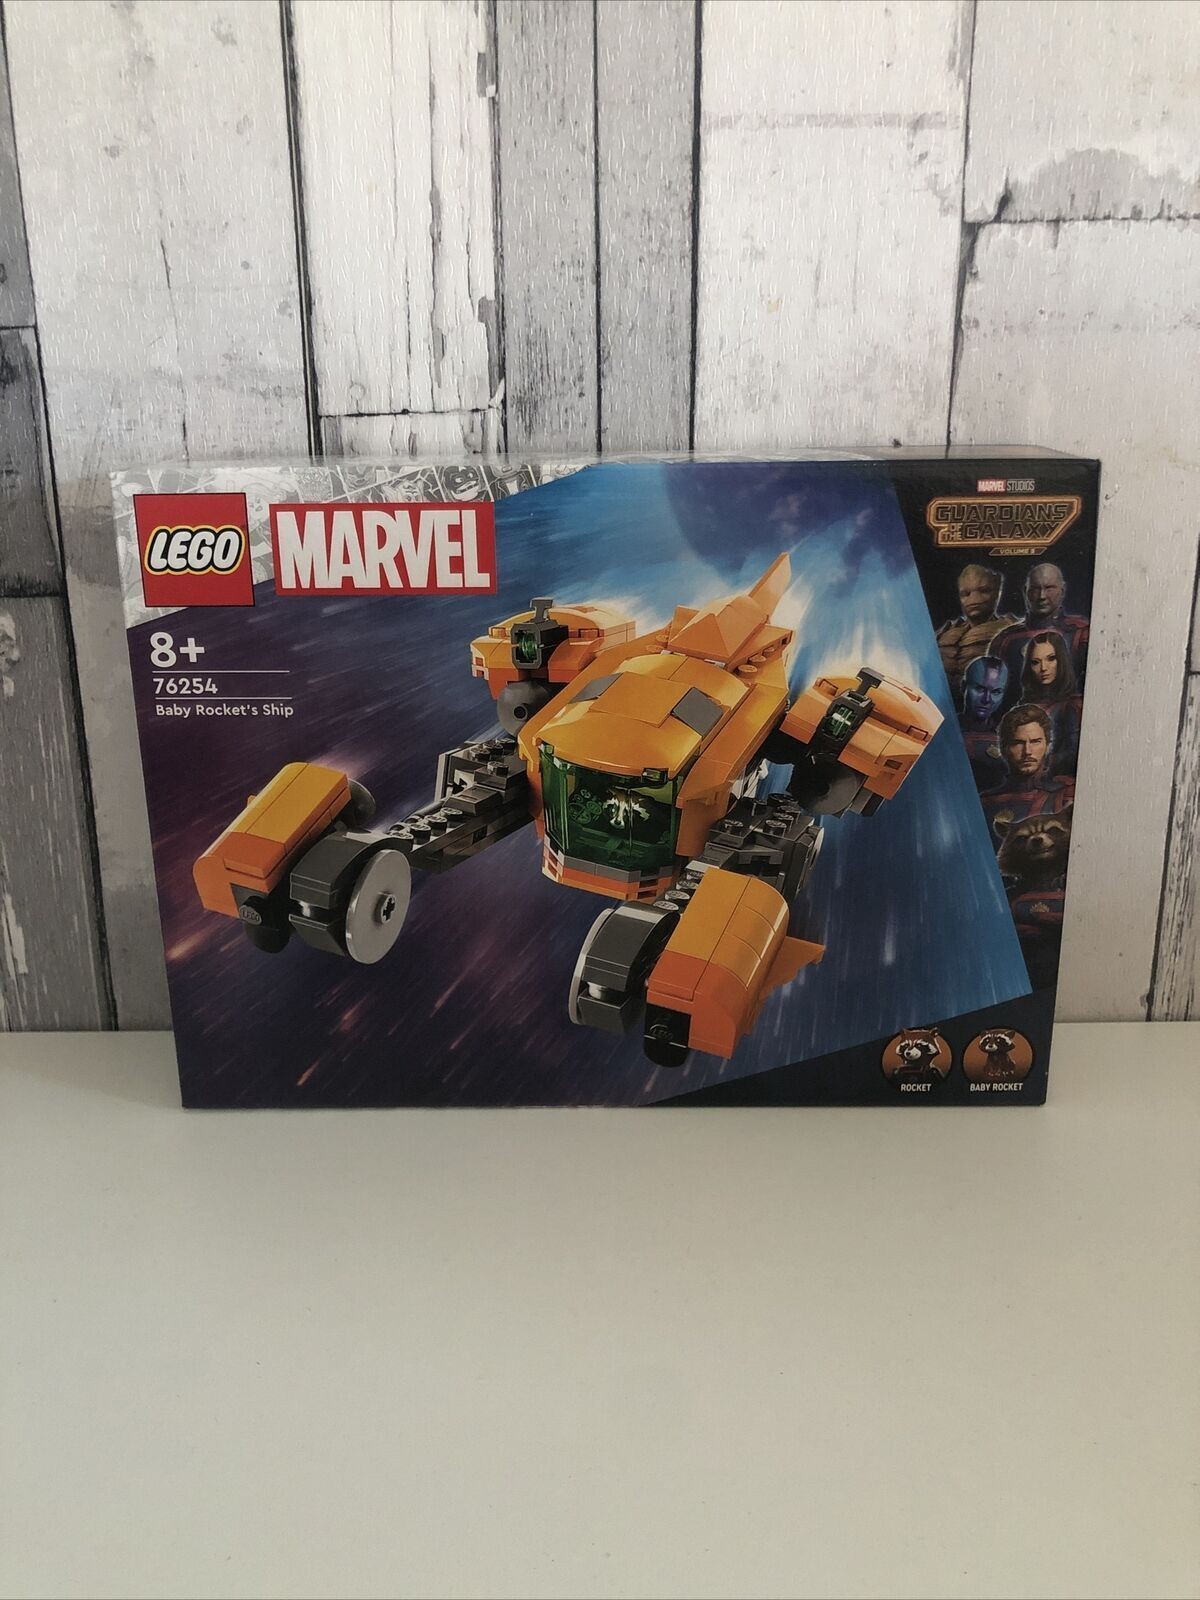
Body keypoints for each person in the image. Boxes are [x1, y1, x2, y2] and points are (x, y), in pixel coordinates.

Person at [980, 704, 1074, 843]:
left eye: (1036, 742)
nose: (1027, 751)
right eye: (1018, 743)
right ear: (1004, 748)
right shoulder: (985, 803)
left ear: (1048, 745)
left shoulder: (1065, 795)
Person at [994, 563, 1089, 692]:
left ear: (1062, 590)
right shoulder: (1005, 639)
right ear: (1025, 591)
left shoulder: (1081, 632)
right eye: (1035, 589)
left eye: (1049, 588)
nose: (1042, 596)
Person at [935, 564, 1017, 698]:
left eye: (983, 591)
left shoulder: (1012, 631)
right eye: (965, 593)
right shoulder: (945, 631)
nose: (974, 599)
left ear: (998, 592)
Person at [1019, 632, 1082, 775]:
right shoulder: (1023, 704)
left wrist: (1047, 762)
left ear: (1061, 659)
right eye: (1035, 662)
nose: (1043, 668)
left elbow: (1072, 752)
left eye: (1051, 659)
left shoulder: (1071, 706)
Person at [957, 655, 1008, 790]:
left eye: (996, 692)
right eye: (980, 689)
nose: (987, 699)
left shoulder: (1006, 739)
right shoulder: (946, 730)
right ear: (964, 687)